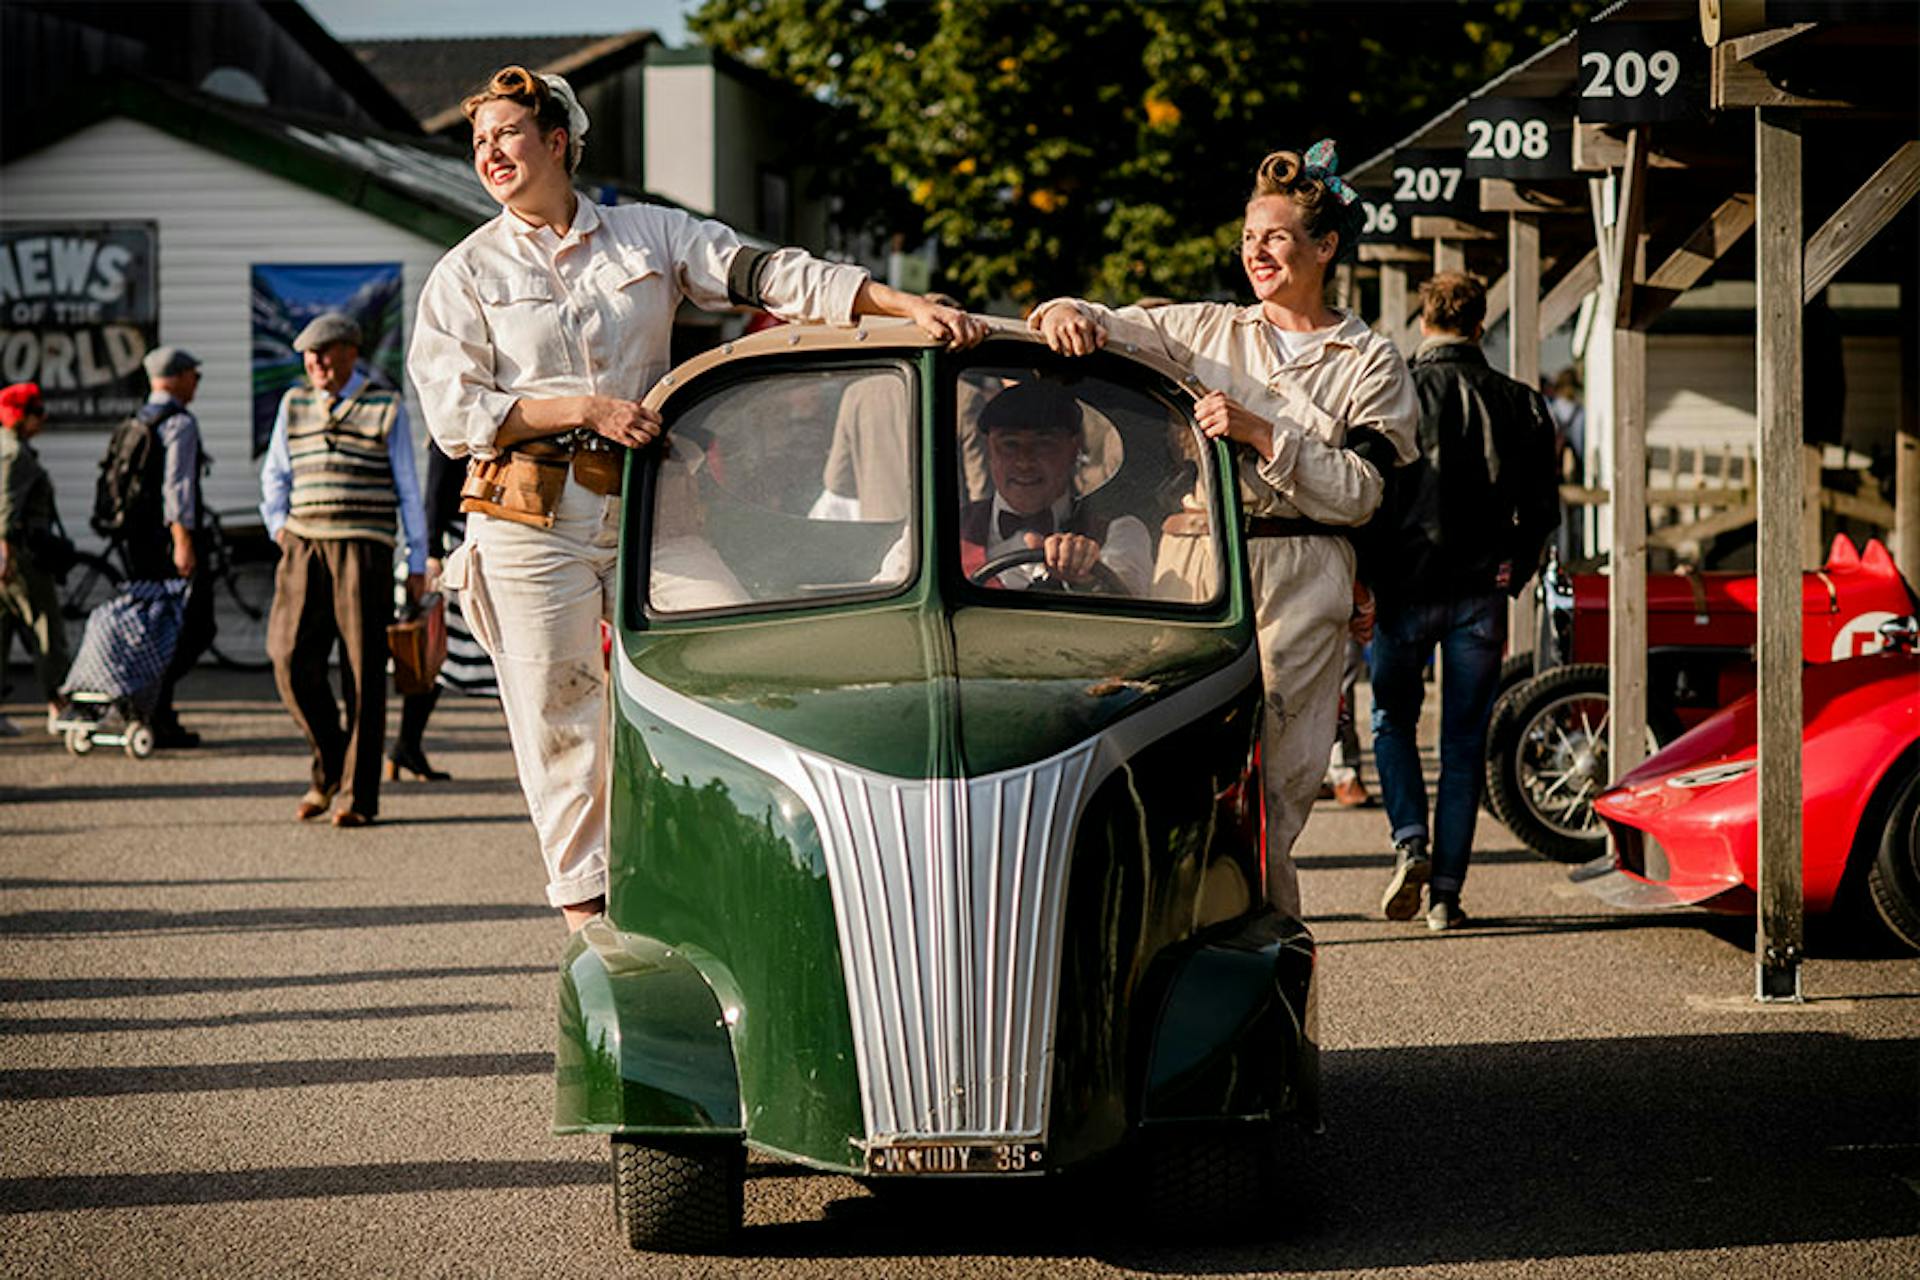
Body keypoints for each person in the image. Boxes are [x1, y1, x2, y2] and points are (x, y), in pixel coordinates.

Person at [408, 66, 984, 931]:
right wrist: (586, 408)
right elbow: (458, 415)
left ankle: (727, 870)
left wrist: (899, 303)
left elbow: (767, 274)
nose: (490, 152)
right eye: (480, 140)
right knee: (563, 720)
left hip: (647, 513)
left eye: (508, 134)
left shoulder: (647, 234)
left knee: (722, 668)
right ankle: (593, 932)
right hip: (528, 521)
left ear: (557, 141)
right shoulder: (466, 273)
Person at [1033, 141, 1418, 918]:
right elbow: (1110, 325)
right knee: (1169, 761)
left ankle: (1264, 947)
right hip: (1195, 564)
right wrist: (1069, 310)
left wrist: (1264, 435)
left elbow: (1365, 492)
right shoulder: (1208, 330)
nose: (1256, 252)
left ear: (1324, 246)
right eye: (1249, 238)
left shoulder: (1369, 360)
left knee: (1274, 788)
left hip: (1302, 572)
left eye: (1275, 236)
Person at [1362, 272, 1559, 930]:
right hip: (1481, 590)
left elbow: (1367, 497)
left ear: (1424, 322)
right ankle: (1446, 894)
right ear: (1480, 327)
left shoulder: (1397, 396)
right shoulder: (1521, 402)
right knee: (1464, 743)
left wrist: (1363, 577)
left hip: (1401, 587)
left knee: (1392, 718)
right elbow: (1541, 509)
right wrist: (1518, 570)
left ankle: (1409, 840)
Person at [260, 312, 428, 828]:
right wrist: (279, 528)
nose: (315, 363)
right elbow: (276, 474)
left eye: (325, 353)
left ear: (351, 353)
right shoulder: (292, 404)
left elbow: (407, 486)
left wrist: (416, 559)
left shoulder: (385, 408)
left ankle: (356, 796)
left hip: (364, 549)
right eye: (309, 356)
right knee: (287, 657)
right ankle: (331, 761)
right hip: (304, 545)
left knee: (362, 676)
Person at [960, 379, 1152, 595]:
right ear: (990, 451)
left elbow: (1129, 602)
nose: (1025, 462)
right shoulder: (950, 532)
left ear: (1073, 449)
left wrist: (1088, 578)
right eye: (1010, 445)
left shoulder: (1119, 533)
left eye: (1043, 444)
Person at [386, 437, 497, 782]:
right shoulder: (453, 433)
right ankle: (406, 745)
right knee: (437, 652)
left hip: (473, 541)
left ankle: (407, 746)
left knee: (445, 654)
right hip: (456, 548)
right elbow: (434, 494)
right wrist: (430, 553)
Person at [129, 347, 215, 747]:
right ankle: (153, 709)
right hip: (173, 542)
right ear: (177, 377)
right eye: (194, 376)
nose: (197, 383)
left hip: (141, 543)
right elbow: (176, 487)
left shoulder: (139, 417)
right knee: (195, 627)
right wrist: (183, 541)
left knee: (157, 627)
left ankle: (153, 709)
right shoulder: (179, 422)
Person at [0, 382, 70, 735]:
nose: (42, 419)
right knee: (45, 628)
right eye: (37, 412)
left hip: (8, 557)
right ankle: (59, 706)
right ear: (20, 416)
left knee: (2, 630)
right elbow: (5, 510)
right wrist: (5, 556)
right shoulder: (15, 455)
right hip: (20, 557)